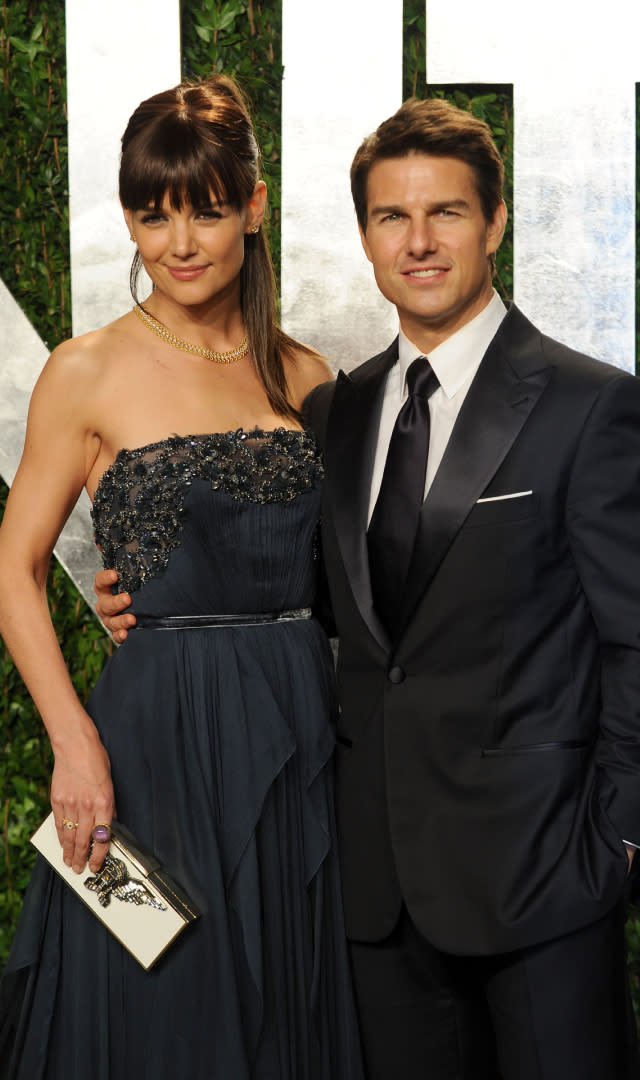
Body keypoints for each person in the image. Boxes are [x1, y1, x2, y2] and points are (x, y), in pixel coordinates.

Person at [99, 93, 640, 1079]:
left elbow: (635, 640)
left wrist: (620, 840)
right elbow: (302, 594)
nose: (419, 240)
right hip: (373, 898)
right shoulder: (335, 410)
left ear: (496, 222)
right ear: (363, 235)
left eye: (446, 213)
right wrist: (146, 585)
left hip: (545, 885)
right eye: (393, 216)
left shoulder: (588, 404)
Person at [0, 75, 365, 1080]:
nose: (181, 241)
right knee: (163, 1011)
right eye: (153, 214)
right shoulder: (87, 370)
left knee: (284, 1000)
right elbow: (15, 568)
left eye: (207, 208)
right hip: (152, 743)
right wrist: (75, 744)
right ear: (129, 218)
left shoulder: (308, 376)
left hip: (296, 726)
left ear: (254, 205)